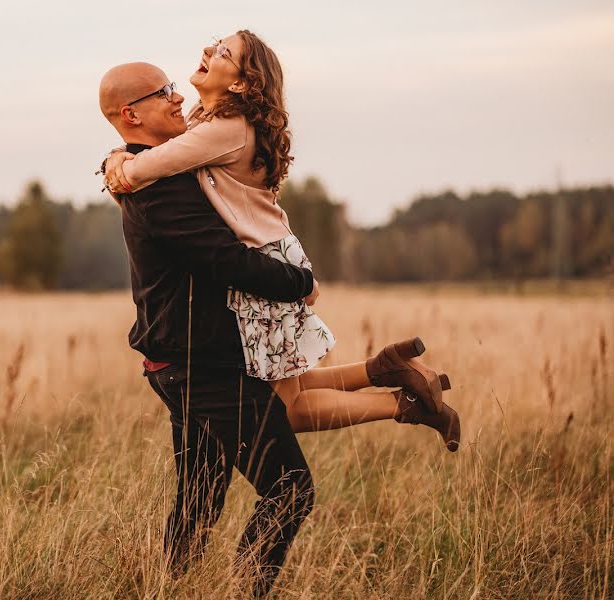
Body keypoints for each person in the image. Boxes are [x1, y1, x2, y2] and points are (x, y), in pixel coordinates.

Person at [103, 31, 461, 448]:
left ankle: (401, 405)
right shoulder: (210, 120)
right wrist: (117, 155)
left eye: (222, 52)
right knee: (289, 383)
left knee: (287, 408)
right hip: (272, 251)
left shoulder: (223, 130)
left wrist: (116, 165)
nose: (207, 51)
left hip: (261, 261)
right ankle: (386, 369)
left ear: (238, 83)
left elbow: (143, 170)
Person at [100, 61, 320, 598]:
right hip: (200, 364)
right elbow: (226, 261)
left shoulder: (150, 167)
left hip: (184, 359)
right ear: (130, 114)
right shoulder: (159, 190)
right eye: (163, 93)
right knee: (290, 488)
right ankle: (247, 591)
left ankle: (167, 587)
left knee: (198, 499)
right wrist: (301, 281)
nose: (177, 98)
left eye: (175, 88)